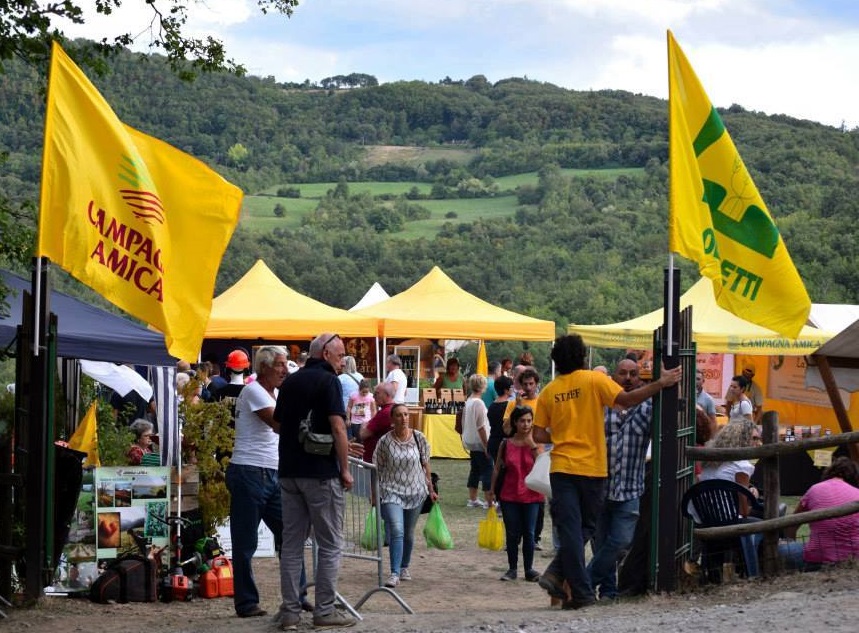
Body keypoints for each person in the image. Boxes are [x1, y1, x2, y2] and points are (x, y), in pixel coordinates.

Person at [533, 334, 681, 610]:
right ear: (581, 356)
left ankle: (561, 577)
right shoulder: (593, 380)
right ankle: (580, 591)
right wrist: (660, 384)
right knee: (585, 529)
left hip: (561, 468)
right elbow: (626, 400)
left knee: (572, 530)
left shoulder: (549, 391)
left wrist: (563, 432)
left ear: (556, 360)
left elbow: (538, 434)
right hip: (592, 469)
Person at [273, 332, 355, 630]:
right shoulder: (329, 381)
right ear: (325, 354)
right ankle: (324, 611)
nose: (343, 360)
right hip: (320, 473)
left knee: (292, 545)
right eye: (340, 355)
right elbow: (338, 427)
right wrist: (345, 469)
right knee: (330, 544)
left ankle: (290, 613)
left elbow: (278, 424)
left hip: (289, 471)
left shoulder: (290, 381)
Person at [225, 345, 289, 619]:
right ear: (264, 367)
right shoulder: (253, 391)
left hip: (269, 472)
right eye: (280, 365)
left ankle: (297, 596)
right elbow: (279, 424)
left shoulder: (274, 393)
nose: (285, 370)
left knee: (290, 535)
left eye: (286, 364)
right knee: (245, 542)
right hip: (249, 472)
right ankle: (246, 602)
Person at [587, 359, 653, 601]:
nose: (628, 378)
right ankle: (608, 591)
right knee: (601, 542)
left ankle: (583, 582)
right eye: (623, 373)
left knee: (621, 541)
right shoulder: (600, 406)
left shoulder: (648, 409)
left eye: (633, 374)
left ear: (639, 378)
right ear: (613, 377)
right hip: (600, 485)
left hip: (630, 486)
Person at [374, 403, 438, 587]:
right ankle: (394, 573)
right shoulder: (385, 442)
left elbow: (426, 465)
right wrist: (373, 492)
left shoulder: (419, 437)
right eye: (399, 415)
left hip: (415, 491)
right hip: (391, 491)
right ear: (392, 419)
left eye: (406, 414)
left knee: (408, 533)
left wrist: (431, 489)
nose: (403, 418)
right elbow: (377, 468)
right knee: (397, 529)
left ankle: (404, 566)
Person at [698, 419, 763, 577]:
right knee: (767, 524)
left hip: (707, 521)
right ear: (742, 439)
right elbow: (744, 511)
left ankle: (715, 574)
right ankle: (752, 571)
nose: (758, 443)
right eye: (754, 438)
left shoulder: (710, 461)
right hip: (730, 523)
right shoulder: (741, 465)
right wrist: (753, 495)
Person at [490, 404, 544, 582]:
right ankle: (512, 568)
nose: (526, 424)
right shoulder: (506, 444)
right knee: (512, 533)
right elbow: (497, 468)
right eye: (522, 421)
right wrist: (491, 490)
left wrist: (532, 445)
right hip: (509, 494)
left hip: (532, 495)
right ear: (514, 422)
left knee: (529, 533)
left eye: (529, 421)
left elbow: (542, 465)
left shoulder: (537, 444)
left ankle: (529, 569)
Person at [779, 456, 859, 571]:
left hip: (817, 560)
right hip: (853, 559)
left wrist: (791, 542)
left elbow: (792, 525)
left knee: (781, 549)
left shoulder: (814, 489)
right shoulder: (857, 493)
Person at [461, 374, 493, 509]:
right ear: (483, 387)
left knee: (475, 470)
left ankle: (473, 498)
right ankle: (488, 501)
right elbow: (481, 426)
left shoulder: (469, 401)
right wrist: (486, 446)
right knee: (487, 470)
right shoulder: (478, 403)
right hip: (479, 442)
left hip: (471, 441)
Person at [503, 367, 540, 434]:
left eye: (531, 383)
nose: (528, 387)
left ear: (536, 384)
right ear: (521, 385)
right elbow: (506, 430)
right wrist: (517, 407)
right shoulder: (513, 403)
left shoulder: (542, 402)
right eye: (525, 384)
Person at [487, 375, 514, 462]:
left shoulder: (491, 406)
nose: (513, 389)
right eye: (511, 387)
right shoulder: (509, 406)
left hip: (493, 441)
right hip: (504, 444)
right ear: (506, 390)